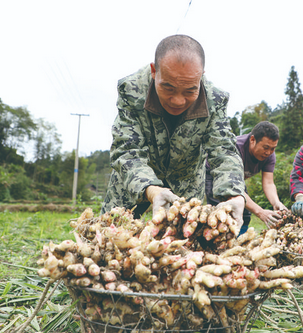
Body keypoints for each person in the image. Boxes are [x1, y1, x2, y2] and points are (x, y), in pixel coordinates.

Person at [101, 34, 246, 227]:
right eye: (168, 88)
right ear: (154, 71)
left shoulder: (215, 100)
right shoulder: (132, 90)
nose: (178, 101)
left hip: (185, 185)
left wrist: (234, 195)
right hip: (133, 180)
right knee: (109, 238)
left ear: (201, 76)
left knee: (182, 250)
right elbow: (127, 150)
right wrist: (152, 191)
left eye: (189, 91)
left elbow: (224, 151)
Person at [206, 121, 287, 235]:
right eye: (265, 147)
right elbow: (232, 187)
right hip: (216, 175)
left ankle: (238, 240)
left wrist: (276, 202)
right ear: (252, 140)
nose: (268, 152)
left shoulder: (269, 155)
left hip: (238, 181)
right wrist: (260, 212)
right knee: (222, 213)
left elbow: (268, 183)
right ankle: (218, 243)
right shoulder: (235, 148)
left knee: (244, 214)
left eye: (273, 148)